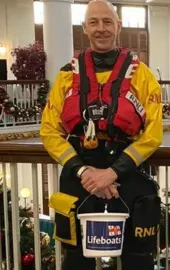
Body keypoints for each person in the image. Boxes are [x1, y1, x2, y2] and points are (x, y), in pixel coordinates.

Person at [40, 1, 163, 269]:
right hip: (78, 176)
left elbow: (153, 133)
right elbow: (49, 130)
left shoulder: (142, 75)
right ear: (84, 28)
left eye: (107, 22)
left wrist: (113, 173)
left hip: (128, 175)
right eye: (94, 22)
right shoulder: (65, 76)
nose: (101, 28)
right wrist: (84, 173)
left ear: (118, 26)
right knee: (75, 258)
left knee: (138, 259)